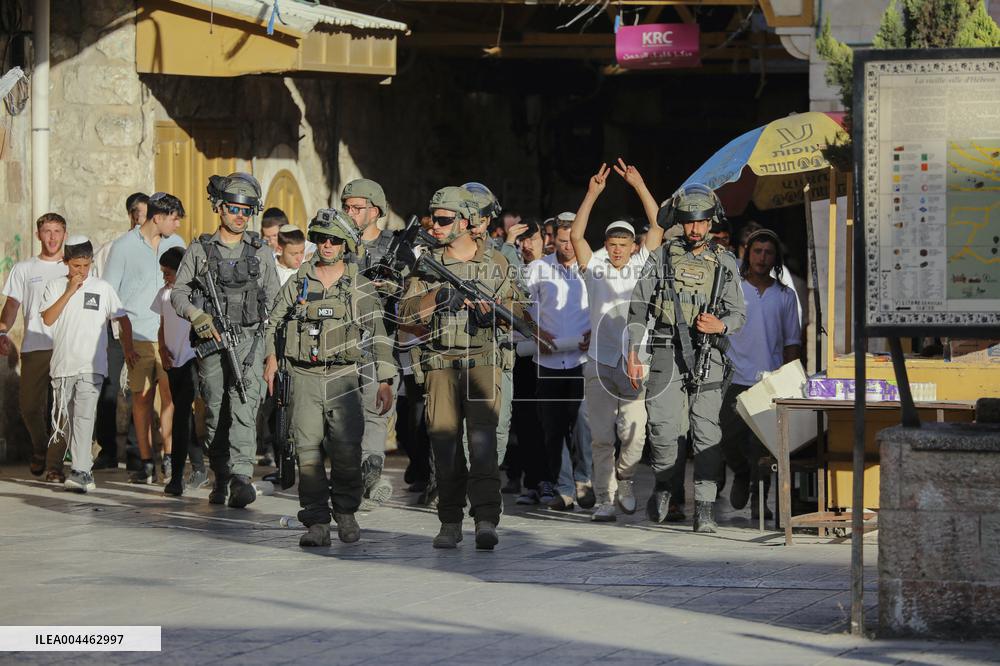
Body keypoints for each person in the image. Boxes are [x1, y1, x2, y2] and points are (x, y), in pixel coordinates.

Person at [400, 186, 541, 550]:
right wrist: (438, 296)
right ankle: (449, 520)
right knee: (445, 446)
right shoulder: (425, 264)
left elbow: (522, 313)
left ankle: (485, 519)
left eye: (445, 220)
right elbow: (406, 317)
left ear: (464, 222)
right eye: (434, 220)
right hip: (440, 366)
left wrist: (495, 312)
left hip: (484, 363)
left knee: (483, 447)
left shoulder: (497, 263)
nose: (436, 227)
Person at [264, 208, 396, 545]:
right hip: (303, 377)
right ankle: (317, 521)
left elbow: (379, 334)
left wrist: (385, 380)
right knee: (306, 452)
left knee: (347, 451)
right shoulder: (299, 281)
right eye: (321, 238)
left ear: (345, 245)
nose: (326, 244)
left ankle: (347, 512)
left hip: (344, 377)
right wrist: (271, 361)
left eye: (334, 240)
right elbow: (273, 323)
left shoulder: (358, 285)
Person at [627, 184, 745, 533]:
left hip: (708, 354)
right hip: (665, 349)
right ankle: (665, 486)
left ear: (711, 222)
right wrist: (634, 350)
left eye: (702, 222)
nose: (695, 229)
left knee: (707, 431)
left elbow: (738, 313)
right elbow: (638, 308)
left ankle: (705, 508)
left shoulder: (724, 262)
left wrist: (721, 324)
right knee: (663, 428)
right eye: (689, 222)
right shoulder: (660, 256)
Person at [171, 172, 280, 508]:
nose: (240, 216)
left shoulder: (260, 252)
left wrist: (272, 354)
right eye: (233, 209)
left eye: (246, 212)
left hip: (250, 339)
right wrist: (197, 316)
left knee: (246, 404)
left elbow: (275, 304)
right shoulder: (200, 250)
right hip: (212, 341)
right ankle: (221, 474)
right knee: (216, 410)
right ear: (219, 208)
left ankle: (242, 477)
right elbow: (178, 292)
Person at [570, 159, 664, 522]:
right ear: (606, 245)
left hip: (635, 361)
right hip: (599, 361)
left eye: (624, 244)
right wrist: (592, 194)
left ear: (632, 245)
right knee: (601, 437)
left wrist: (639, 185)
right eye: (613, 244)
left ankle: (626, 478)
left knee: (635, 433)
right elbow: (576, 236)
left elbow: (658, 225)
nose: (618, 250)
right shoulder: (594, 266)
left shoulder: (643, 264)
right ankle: (606, 498)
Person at [103, 192, 186, 484]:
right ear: (157, 217)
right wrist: (123, 340)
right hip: (137, 333)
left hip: (172, 334)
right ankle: (146, 461)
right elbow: (110, 294)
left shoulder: (177, 244)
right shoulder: (123, 246)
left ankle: (171, 459)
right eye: (173, 218)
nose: (177, 224)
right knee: (140, 398)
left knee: (171, 398)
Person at [40, 236, 133, 493]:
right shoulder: (54, 286)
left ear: (92, 261)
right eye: (76, 266)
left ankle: (80, 470)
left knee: (84, 415)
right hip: (63, 365)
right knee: (69, 420)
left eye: (86, 265)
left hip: (92, 366)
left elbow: (122, 319)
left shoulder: (103, 288)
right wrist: (70, 290)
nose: (81, 271)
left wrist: (129, 349)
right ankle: (85, 470)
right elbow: (48, 318)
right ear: (65, 262)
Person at [722, 228, 801, 519]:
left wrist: (787, 382)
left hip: (769, 381)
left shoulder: (785, 296)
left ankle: (760, 499)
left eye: (768, 253)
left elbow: (793, 341)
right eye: (757, 251)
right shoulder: (733, 289)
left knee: (763, 448)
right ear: (747, 253)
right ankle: (741, 474)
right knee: (727, 440)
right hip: (732, 378)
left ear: (775, 258)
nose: (762, 257)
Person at [523, 218, 591, 510]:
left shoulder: (593, 268)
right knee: (552, 428)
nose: (566, 245)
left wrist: (595, 332)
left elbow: (609, 305)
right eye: (561, 240)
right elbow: (521, 307)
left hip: (582, 359)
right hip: (547, 361)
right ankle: (564, 487)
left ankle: (585, 481)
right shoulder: (538, 269)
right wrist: (535, 332)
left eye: (571, 240)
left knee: (583, 425)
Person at [340, 178, 397, 509]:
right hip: (342, 340)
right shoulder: (336, 243)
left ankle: (372, 473)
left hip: (380, 340)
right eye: (346, 207)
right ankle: (349, 476)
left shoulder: (396, 247)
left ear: (375, 211)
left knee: (375, 410)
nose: (350, 213)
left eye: (357, 208)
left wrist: (393, 287)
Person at [0, 213, 69, 481]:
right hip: (34, 345)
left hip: (65, 345)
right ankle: (40, 448)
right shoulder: (23, 269)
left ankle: (55, 465)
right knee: (29, 406)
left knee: (62, 406)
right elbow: (11, 307)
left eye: (57, 231)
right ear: (38, 234)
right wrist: (2, 332)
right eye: (47, 231)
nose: (52, 237)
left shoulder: (71, 267)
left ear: (64, 234)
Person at [94, 194, 148, 471]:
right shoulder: (108, 250)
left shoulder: (156, 250)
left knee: (139, 390)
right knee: (110, 390)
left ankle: (138, 450)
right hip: (114, 332)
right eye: (143, 214)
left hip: (145, 331)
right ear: (131, 216)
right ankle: (107, 451)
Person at [155, 247, 208, 496]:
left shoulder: (193, 296)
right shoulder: (164, 295)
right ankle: (198, 467)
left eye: (169, 272)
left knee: (181, 416)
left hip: (191, 360)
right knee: (183, 418)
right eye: (163, 273)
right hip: (172, 362)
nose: (165, 277)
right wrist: (162, 350)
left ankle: (176, 477)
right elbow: (163, 325)